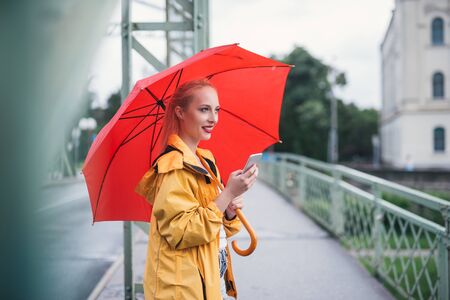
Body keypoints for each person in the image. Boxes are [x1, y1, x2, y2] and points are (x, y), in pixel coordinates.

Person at [134, 78, 259, 299]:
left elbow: (213, 229)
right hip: (183, 288)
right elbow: (182, 233)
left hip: (210, 276)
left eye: (216, 110)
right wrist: (228, 193)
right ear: (180, 113)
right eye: (204, 110)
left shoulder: (205, 161)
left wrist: (228, 211)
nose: (213, 119)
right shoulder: (173, 167)